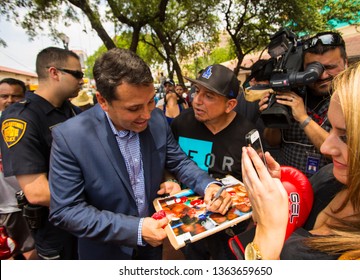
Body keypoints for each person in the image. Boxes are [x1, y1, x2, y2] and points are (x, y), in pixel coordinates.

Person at [48, 48, 232, 260]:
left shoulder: (157, 119)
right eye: (134, 108)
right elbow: (66, 211)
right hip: (106, 253)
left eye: (151, 101)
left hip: (152, 248)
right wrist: (135, 229)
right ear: (103, 101)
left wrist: (209, 185)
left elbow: (179, 162)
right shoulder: (70, 137)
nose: (146, 115)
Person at [242, 53, 360, 260]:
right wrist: (278, 198)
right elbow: (297, 218)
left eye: (345, 137)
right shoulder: (330, 177)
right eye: (331, 130)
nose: (326, 148)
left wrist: (267, 233)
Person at [0, 47, 84, 260]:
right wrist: (100, 198)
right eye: (77, 74)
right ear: (54, 73)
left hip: (85, 224)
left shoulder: (72, 111)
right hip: (57, 230)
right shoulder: (20, 118)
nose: (82, 80)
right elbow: (37, 192)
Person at [170, 64, 256, 259]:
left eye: (209, 96)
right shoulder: (180, 124)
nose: (197, 101)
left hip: (231, 229)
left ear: (230, 105)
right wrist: (172, 182)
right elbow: (169, 164)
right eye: (196, 91)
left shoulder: (247, 133)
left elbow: (254, 184)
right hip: (188, 222)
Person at [261, 32, 348, 177]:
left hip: (328, 189)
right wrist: (272, 115)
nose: (322, 76)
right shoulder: (292, 92)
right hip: (289, 186)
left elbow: (343, 154)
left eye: (330, 67)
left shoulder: (355, 100)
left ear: (346, 62)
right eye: (313, 69)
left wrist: (303, 118)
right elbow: (272, 140)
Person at [0, 78, 35, 260]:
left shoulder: (33, 125)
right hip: (3, 208)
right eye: (4, 96)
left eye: (16, 96)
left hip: (28, 204)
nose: (10, 100)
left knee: (33, 252)